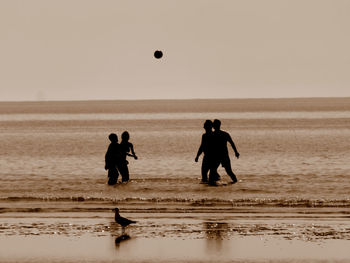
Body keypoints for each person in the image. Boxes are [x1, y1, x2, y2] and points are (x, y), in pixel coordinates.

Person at [212, 119, 240, 183]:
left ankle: (234, 181)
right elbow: (232, 143)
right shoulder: (224, 134)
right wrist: (236, 152)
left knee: (226, 171)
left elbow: (232, 143)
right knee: (226, 171)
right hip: (221, 155)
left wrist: (236, 152)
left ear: (215, 126)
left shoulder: (214, 134)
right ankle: (234, 181)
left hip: (220, 156)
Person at [195, 120, 220, 185]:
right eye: (205, 126)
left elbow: (219, 147)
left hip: (214, 158)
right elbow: (202, 146)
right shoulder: (204, 136)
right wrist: (197, 156)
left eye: (205, 126)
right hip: (206, 157)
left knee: (211, 176)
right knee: (204, 175)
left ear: (210, 127)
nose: (204, 127)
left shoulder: (214, 135)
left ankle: (215, 182)